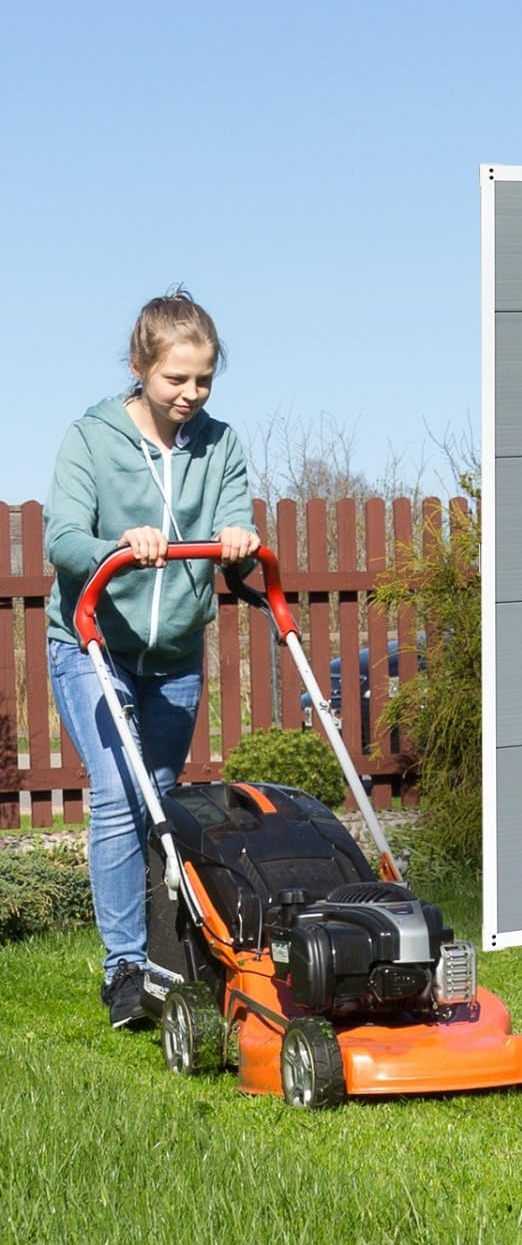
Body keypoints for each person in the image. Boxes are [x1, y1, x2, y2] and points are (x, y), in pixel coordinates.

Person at [44, 290, 259, 1029]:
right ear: (141, 368)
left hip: (173, 656)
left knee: (157, 803)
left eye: (203, 380)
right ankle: (124, 971)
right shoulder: (92, 438)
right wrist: (117, 545)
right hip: (90, 643)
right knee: (114, 795)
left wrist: (236, 536)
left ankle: (168, 955)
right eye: (177, 379)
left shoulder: (219, 442)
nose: (190, 395)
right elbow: (63, 537)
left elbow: (238, 513)